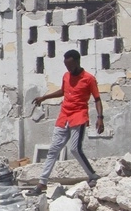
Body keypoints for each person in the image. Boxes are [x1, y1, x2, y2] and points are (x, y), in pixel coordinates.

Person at [32, 49, 104, 193]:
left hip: (79, 116)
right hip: (64, 116)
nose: (68, 69)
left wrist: (100, 118)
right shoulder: (66, 76)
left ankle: (92, 175)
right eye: (66, 66)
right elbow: (63, 91)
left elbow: (97, 99)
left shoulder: (89, 79)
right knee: (53, 150)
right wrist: (44, 97)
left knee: (74, 149)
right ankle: (42, 183)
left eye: (70, 66)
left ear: (77, 62)